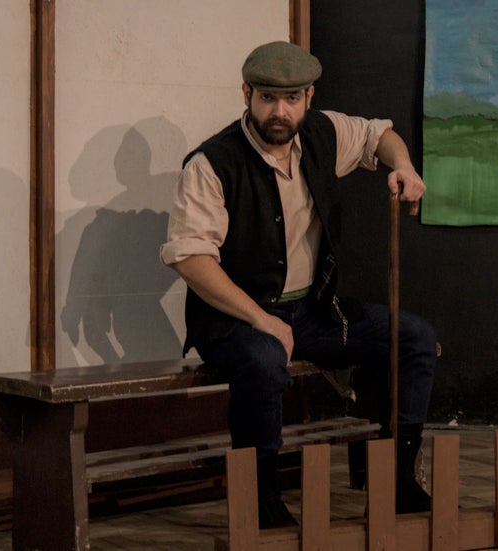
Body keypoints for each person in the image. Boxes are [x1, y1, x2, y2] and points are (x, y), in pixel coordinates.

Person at [160, 41, 437, 527]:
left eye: (291, 99)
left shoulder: (323, 133)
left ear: (309, 96)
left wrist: (404, 166)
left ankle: (396, 479)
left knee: (412, 338)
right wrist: (261, 319)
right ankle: (262, 499)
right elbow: (191, 258)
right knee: (265, 361)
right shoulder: (211, 164)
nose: (279, 112)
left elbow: (379, 136)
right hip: (233, 320)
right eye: (267, 98)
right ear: (246, 94)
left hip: (312, 312)